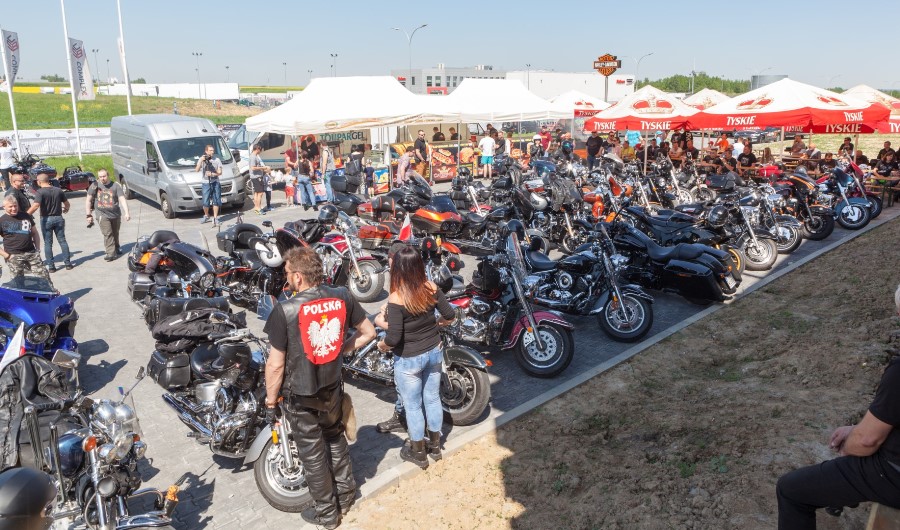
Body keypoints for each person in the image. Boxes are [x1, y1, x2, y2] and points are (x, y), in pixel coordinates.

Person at [263, 246, 376, 529]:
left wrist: (270, 400)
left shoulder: (284, 310)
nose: (286, 278)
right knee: (335, 437)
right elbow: (369, 332)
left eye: (287, 273)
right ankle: (346, 495)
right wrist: (340, 351)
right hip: (332, 386)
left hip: (301, 395)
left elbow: (275, 365)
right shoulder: (343, 295)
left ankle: (327, 514)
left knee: (312, 454)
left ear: (298, 277)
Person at [776, 285, 900, 530]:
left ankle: (844, 494)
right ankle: (844, 495)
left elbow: (867, 441)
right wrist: (857, 431)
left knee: (791, 490)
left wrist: (850, 444)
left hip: (894, 474)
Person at [376, 246, 456, 469]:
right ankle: (436, 446)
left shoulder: (396, 298)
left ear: (398, 269)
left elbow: (393, 337)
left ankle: (418, 451)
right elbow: (450, 315)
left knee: (413, 406)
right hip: (433, 352)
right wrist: (438, 324)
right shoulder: (431, 287)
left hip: (409, 358)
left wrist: (382, 346)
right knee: (432, 399)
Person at [27, 174, 72, 272]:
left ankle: (51, 266)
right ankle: (68, 264)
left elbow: (35, 206)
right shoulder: (58, 190)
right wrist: (66, 209)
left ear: (39, 181)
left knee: (48, 243)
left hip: (46, 219)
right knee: (62, 241)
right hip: (58, 217)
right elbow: (67, 204)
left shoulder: (40, 192)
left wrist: (25, 215)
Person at [85, 169, 130, 261]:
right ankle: (110, 253)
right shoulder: (94, 186)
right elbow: (88, 200)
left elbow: (122, 199)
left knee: (115, 233)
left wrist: (127, 212)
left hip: (115, 214)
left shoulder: (115, 186)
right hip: (102, 214)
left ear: (108, 175)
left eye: (104, 176)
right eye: (100, 177)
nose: (102, 178)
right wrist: (88, 215)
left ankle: (116, 247)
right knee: (108, 233)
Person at [0, 195, 48, 280]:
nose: (14, 208)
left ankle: (48, 289)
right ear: (4, 207)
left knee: (44, 277)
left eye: (15, 206)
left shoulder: (25, 216)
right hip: (13, 255)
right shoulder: (1, 220)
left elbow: (35, 233)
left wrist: (37, 249)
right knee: (18, 282)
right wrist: (6, 256)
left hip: (31, 253)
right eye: (10, 206)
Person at [194, 144, 223, 225]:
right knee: (206, 201)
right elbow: (196, 170)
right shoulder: (202, 159)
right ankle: (206, 215)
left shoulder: (217, 160)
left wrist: (213, 174)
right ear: (206, 151)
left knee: (216, 200)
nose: (212, 152)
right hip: (206, 183)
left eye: (213, 150)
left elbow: (220, 172)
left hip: (215, 182)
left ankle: (215, 218)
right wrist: (201, 160)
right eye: (210, 150)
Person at [249, 144, 269, 215]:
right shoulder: (253, 157)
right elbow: (253, 168)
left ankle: (256, 208)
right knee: (260, 193)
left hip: (255, 176)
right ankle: (258, 208)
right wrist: (263, 168)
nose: (260, 151)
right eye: (260, 150)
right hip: (256, 177)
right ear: (257, 149)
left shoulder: (254, 156)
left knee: (256, 193)